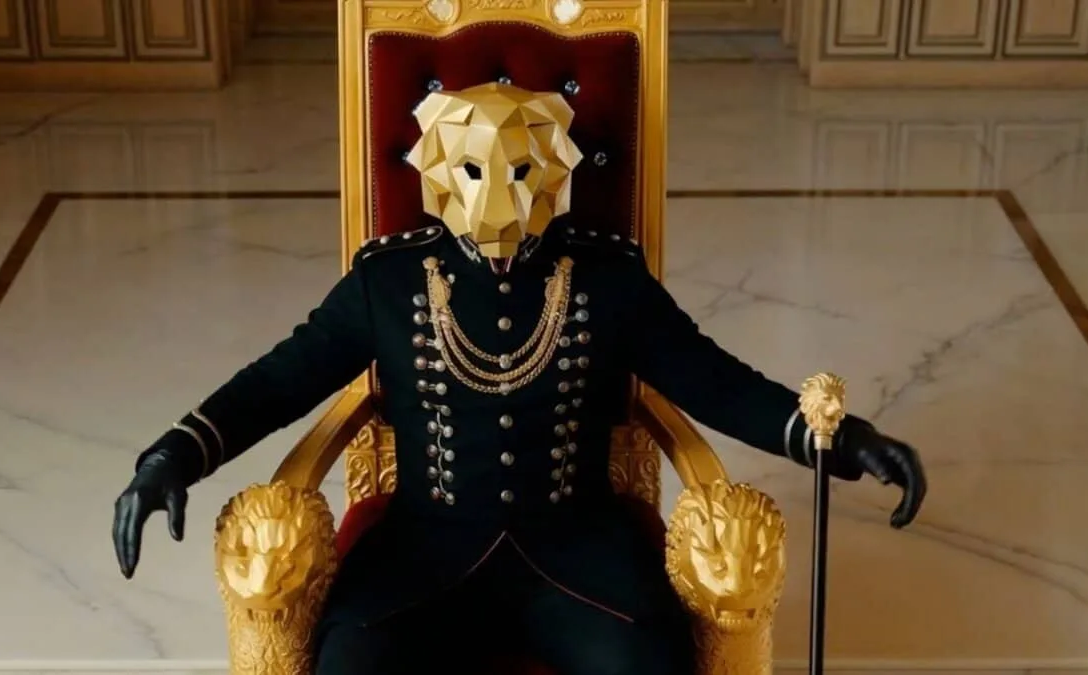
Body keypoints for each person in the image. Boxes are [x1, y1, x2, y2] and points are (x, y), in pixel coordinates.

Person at [112, 83, 927, 675]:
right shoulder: (387, 282)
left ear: (555, 173)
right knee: (348, 664)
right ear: (439, 175)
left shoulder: (607, 277)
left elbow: (714, 379)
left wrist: (844, 440)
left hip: (581, 551)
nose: (500, 195)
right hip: (421, 553)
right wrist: (172, 455)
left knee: (653, 664)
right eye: (475, 171)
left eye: (523, 170)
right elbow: (278, 379)